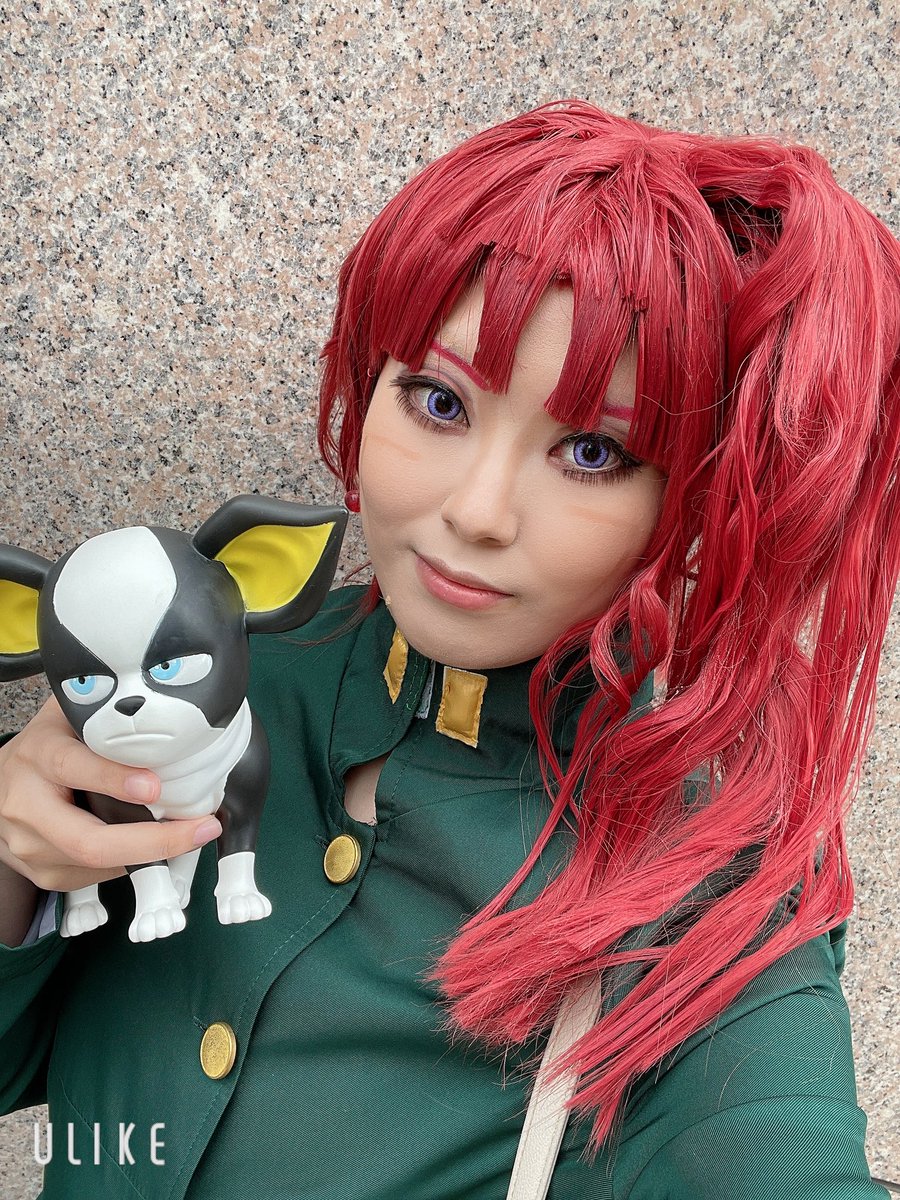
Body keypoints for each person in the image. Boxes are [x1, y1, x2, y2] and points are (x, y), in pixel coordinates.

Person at [1, 100, 898, 1199]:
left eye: (591, 451)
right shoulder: (205, 685)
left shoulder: (698, 882)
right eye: (436, 399)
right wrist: (13, 863)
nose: (476, 512)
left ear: (693, 497)